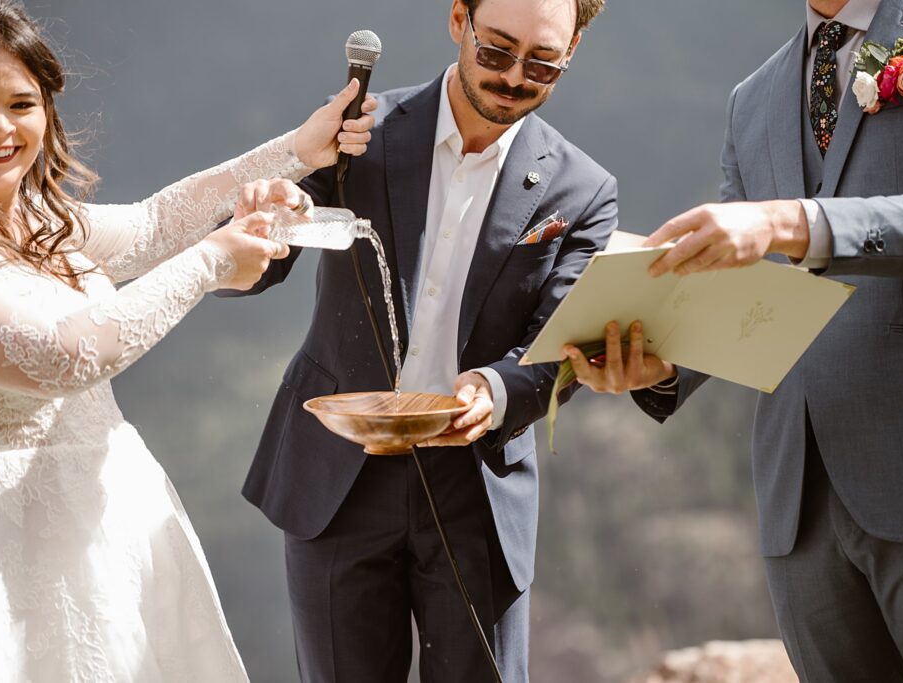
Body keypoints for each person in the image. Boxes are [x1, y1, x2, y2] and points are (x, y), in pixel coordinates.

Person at [0, 1, 375, 680]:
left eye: (21, 104)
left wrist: (298, 150)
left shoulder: (41, 219)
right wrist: (213, 261)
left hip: (117, 531)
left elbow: (153, 225)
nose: (0, 126)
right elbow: (60, 357)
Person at [568, 0, 903, 679]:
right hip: (799, 504)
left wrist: (790, 222)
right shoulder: (752, 98)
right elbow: (738, 284)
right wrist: (663, 365)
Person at [223, 0, 615, 679]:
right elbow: (248, 271)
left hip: (477, 484)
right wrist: (266, 208)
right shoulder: (359, 133)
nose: (513, 77)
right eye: (496, 51)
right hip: (337, 470)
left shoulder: (583, 190)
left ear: (574, 48)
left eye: (542, 64)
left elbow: (561, 344)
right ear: (459, 19)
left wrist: (494, 390)